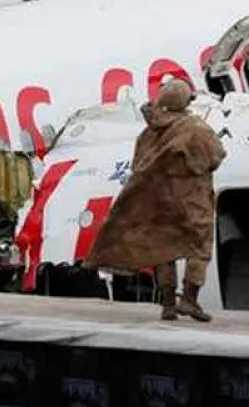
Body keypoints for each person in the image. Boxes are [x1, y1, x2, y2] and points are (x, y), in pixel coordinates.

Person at [85, 78, 226, 322]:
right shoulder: (194, 128)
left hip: (159, 199)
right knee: (199, 247)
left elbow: (138, 165)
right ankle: (189, 299)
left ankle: (168, 304)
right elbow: (215, 156)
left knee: (163, 249)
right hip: (191, 198)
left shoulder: (148, 132)